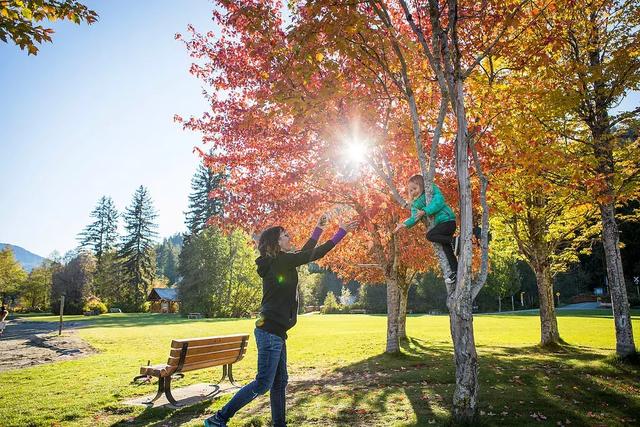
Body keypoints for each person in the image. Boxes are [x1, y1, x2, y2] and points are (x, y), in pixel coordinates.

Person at [205, 215, 358, 427]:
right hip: (270, 331)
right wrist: (341, 232)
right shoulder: (282, 261)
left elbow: (305, 253)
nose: (289, 237)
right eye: (285, 235)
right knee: (263, 383)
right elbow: (314, 253)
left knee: (278, 383)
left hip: (274, 331)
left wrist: (318, 228)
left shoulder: (280, 262)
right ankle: (219, 418)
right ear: (277, 242)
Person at [394, 174, 457, 283]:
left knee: (430, 235)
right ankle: (455, 272)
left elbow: (439, 201)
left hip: (447, 221)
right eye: (410, 190)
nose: (413, 191)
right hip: (441, 227)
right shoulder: (415, 204)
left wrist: (425, 211)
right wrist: (404, 224)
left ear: (422, 185)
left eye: (415, 188)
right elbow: (414, 217)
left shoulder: (431, 189)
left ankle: (455, 240)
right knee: (447, 250)